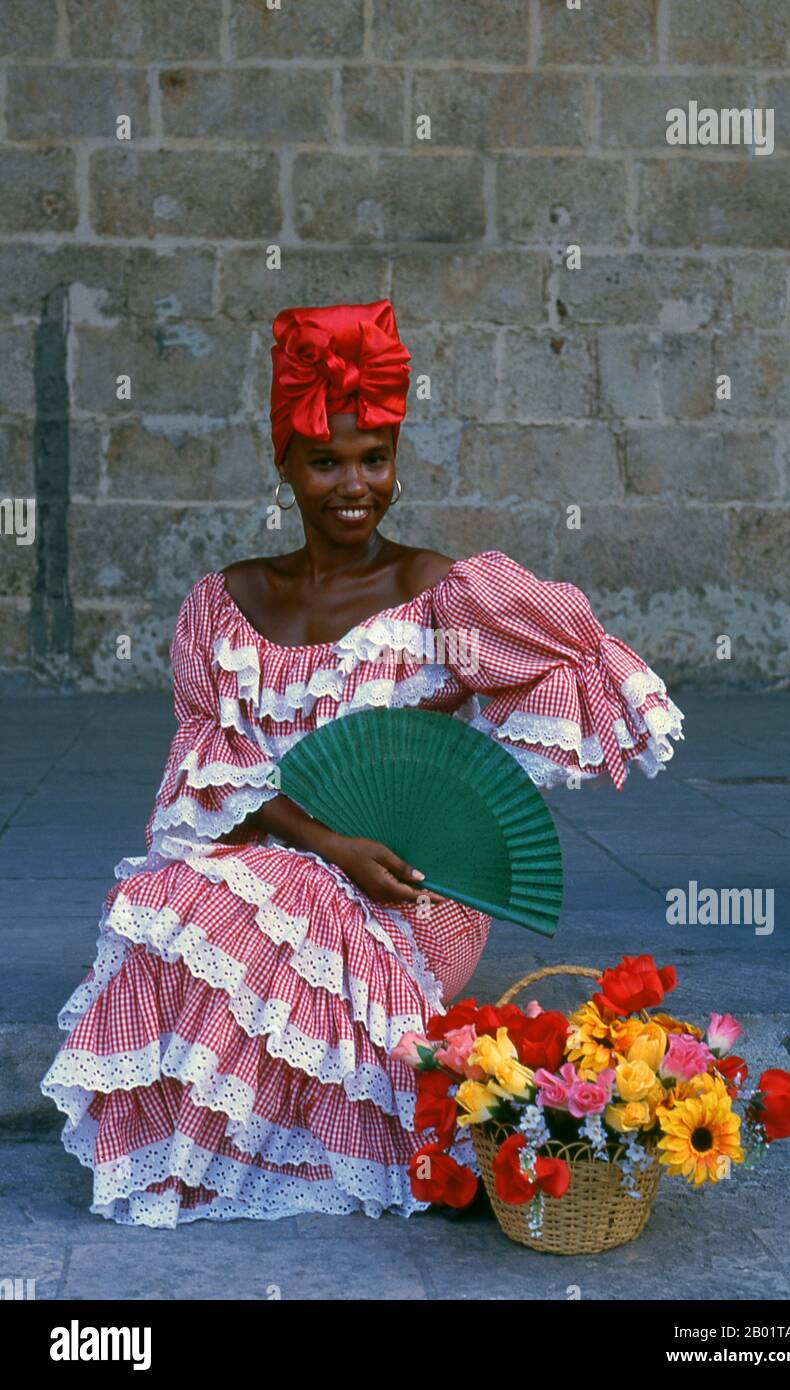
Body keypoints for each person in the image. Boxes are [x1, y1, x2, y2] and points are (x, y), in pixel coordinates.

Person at [39, 299, 684, 1227]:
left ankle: (248, 1145)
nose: (354, 484)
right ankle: (211, 1150)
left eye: (374, 460)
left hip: (412, 887)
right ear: (285, 468)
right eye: (325, 461)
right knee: (170, 905)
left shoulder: (443, 594)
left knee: (223, 915)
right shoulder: (224, 605)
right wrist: (328, 842)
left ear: (395, 464)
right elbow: (210, 767)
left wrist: (465, 792)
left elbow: (576, 662)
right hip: (282, 855)